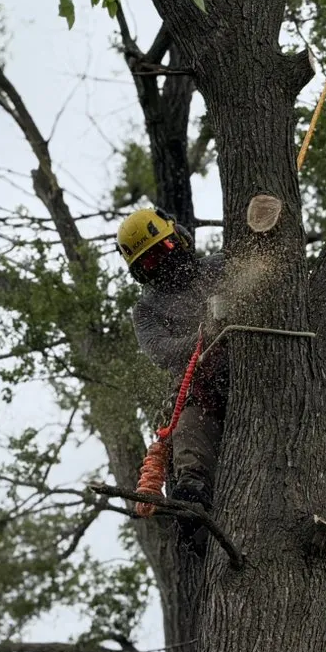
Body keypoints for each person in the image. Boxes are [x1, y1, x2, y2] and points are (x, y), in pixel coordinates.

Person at [116, 207, 228, 532]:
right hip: (200, 388)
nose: (163, 263)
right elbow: (161, 352)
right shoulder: (147, 308)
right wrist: (204, 334)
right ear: (140, 272)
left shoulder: (220, 266)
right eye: (150, 261)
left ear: (178, 238)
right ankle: (192, 499)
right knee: (190, 429)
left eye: (163, 251)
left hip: (249, 366)